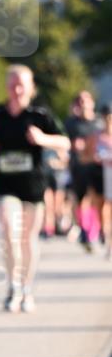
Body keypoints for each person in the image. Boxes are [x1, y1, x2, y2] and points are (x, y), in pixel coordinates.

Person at [0, 65, 70, 312]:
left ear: (31, 88)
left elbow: (64, 141)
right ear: (7, 87)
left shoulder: (40, 115)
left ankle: (27, 287)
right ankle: (13, 286)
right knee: (9, 230)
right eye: (12, 84)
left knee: (27, 238)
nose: (17, 89)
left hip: (32, 184)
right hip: (4, 183)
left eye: (22, 84)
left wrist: (43, 139)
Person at [65, 91, 100, 251]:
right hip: (78, 167)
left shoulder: (98, 123)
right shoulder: (72, 123)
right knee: (81, 200)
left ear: (92, 103)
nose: (83, 104)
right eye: (80, 101)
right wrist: (73, 145)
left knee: (97, 199)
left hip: (97, 167)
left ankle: (95, 231)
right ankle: (85, 230)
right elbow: (64, 141)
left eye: (86, 101)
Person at [84, 104, 112, 260]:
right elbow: (85, 156)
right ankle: (105, 236)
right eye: (106, 117)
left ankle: (109, 243)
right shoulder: (96, 137)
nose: (108, 121)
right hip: (99, 175)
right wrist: (95, 158)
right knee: (102, 209)